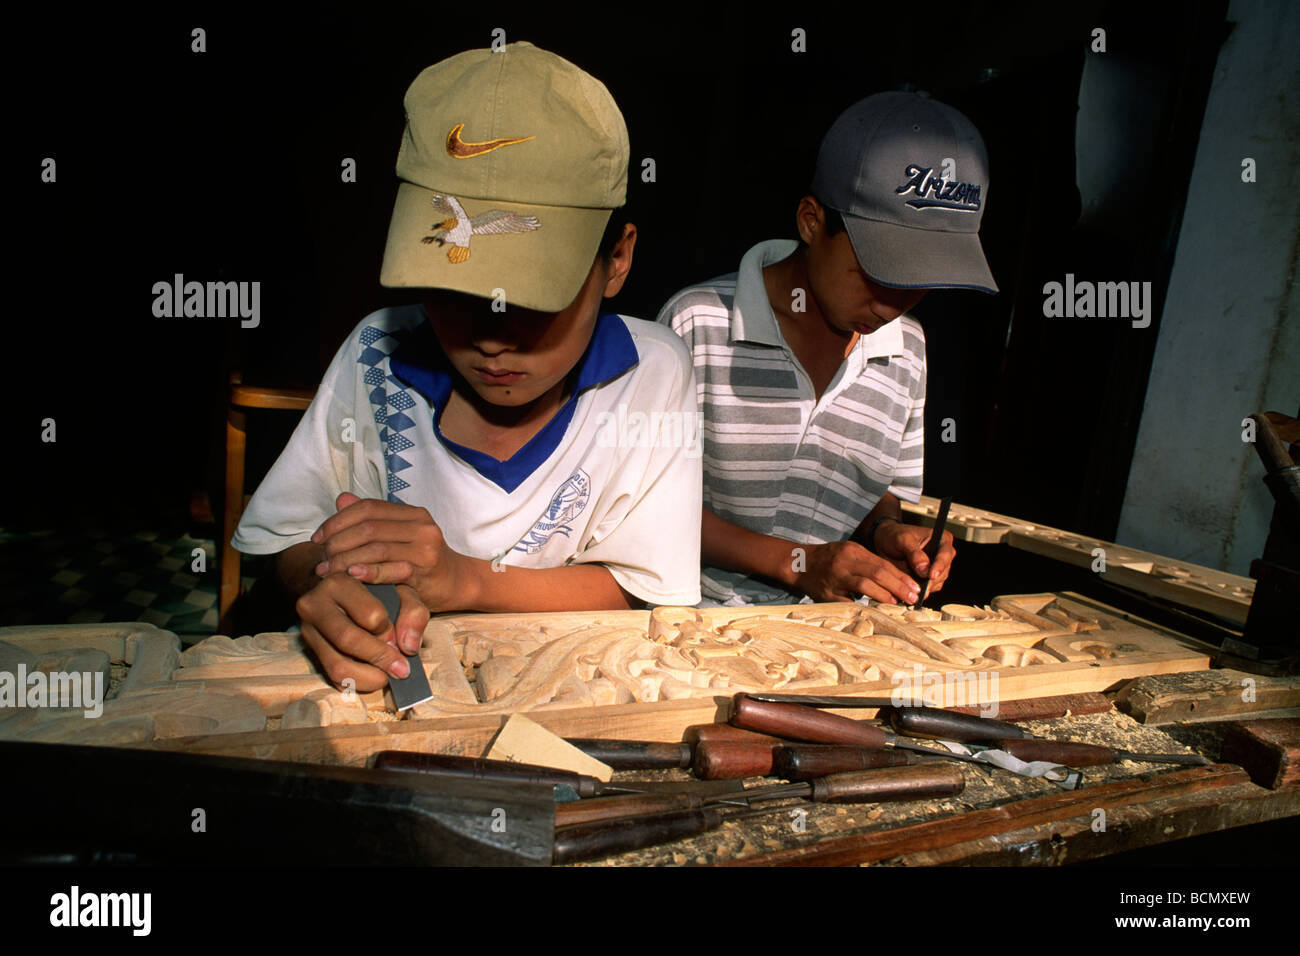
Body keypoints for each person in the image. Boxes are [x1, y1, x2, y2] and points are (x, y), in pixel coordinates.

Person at [233, 42, 701, 691]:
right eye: (454, 295)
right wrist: (325, 579)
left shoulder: (650, 374)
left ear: (616, 260)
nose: (492, 338)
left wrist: (466, 579)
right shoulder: (378, 353)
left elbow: (646, 591)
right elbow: (281, 540)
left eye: (537, 296)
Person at [659, 91, 997, 606]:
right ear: (812, 222)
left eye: (920, 283)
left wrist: (887, 532)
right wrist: (799, 564)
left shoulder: (907, 350)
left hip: (828, 644)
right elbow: (641, 507)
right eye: (879, 274)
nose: (892, 306)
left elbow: (865, 491)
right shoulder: (699, 325)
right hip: (688, 631)